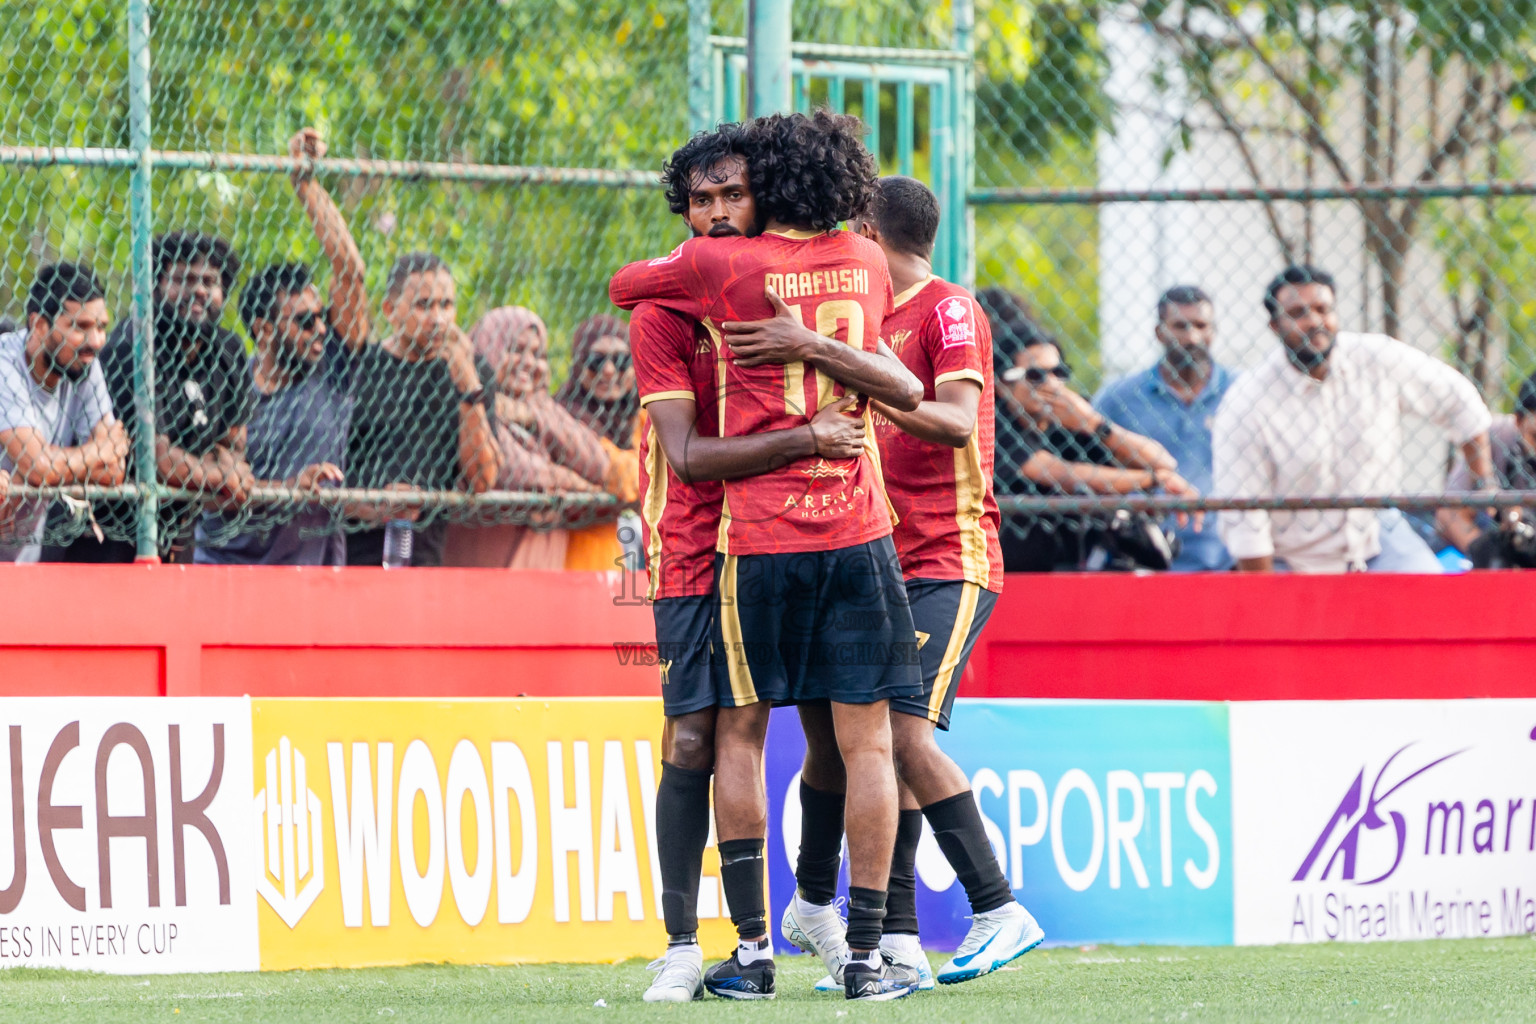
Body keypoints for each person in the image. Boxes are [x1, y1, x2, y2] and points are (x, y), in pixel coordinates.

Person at [613, 110, 926, 1002]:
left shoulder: (713, 273)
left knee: (791, 738)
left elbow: (619, 280)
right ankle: (706, 942)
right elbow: (686, 455)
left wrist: (803, 347)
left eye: (732, 193)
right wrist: (811, 429)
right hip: (706, 543)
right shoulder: (864, 259)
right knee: (705, 736)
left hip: (763, 538)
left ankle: (791, 939)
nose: (714, 213)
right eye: (700, 199)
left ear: (767, 190)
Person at [780, 175, 1045, 989]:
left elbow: (958, 422)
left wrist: (872, 382)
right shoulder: (867, 316)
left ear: (866, 228)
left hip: (950, 557)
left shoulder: (948, 309)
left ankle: (998, 908)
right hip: (878, 559)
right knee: (859, 741)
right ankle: (887, 941)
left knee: (896, 735)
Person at [1214, 265, 1493, 573]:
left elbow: (1460, 401)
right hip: (1294, 557)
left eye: (1323, 309)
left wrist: (1483, 484)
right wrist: (1269, 605)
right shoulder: (1246, 402)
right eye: (1298, 313)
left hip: (1377, 536)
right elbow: (1245, 522)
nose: (1314, 322)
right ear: (1274, 326)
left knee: (1430, 601)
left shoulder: (1375, 358)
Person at [196, 127, 371, 565]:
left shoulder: (333, 369)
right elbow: (216, 487)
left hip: (306, 571)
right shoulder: (228, 382)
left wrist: (305, 184)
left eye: (321, 317)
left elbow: (349, 270)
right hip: (226, 565)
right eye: (304, 320)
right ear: (265, 329)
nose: (320, 329)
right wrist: (292, 488)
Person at [45, 231, 255, 563]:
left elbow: (234, 447)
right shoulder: (133, 346)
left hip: (176, 534)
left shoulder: (229, 352)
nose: (199, 290)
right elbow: (151, 458)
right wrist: (218, 474)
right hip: (101, 534)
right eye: (184, 279)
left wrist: (219, 468)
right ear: (157, 285)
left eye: (210, 281)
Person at [994, 327, 1197, 571]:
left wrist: (1094, 423)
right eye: (1036, 375)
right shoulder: (994, 423)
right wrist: (1152, 479)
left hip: (1072, 564)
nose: (1051, 384)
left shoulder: (1072, 416)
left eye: (1058, 373)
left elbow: (1163, 461)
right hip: (1011, 564)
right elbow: (1060, 474)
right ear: (1003, 383)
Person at [344, 252, 499, 567]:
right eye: (423, 305)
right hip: (352, 552)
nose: (438, 319)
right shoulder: (360, 368)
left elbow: (482, 479)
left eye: (446, 305)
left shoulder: (474, 372)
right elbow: (327, 472)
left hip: (426, 555)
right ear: (390, 310)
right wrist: (375, 506)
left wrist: (468, 386)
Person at [441, 305, 609, 570]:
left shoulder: (540, 407)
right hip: (485, 561)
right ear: (489, 348)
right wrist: (577, 485)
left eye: (538, 354)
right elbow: (517, 473)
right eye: (516, 350)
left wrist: (534, 414)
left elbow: (599, 463)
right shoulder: (471, 403)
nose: (529, 363)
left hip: (542, 569)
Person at [1095, 285, 1234, 570]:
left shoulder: (1241, 392)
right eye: (1180, 326)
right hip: (1143, 555)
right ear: (1160, 332)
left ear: (1213, 331)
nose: (1192, 336)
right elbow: (1084, 459)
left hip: (1228, 555)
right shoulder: (1119, 399)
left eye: (1200, 325)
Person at [0, 262, 125, 560]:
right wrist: (96, 453)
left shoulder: (83, 364)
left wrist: (48, 469)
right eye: (79, 327)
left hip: (23, 560)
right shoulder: (5, 364)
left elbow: (115, 469)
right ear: (40, 325)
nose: (96, 341)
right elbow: (38, 467)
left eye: (101, 327)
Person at [554, 313, 643, 571]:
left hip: (616, 550)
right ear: (580, 363)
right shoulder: (565, 413)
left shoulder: (640, 413)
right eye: (596, 360)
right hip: (573, 549)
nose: (609, 370)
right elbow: (638, 477)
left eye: (620, 360)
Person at [1438, 372, 1536, 568]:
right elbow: (1449, 513)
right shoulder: (1494, 436)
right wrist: (1483, 552)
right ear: (1518, 421)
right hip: (1499, 533)